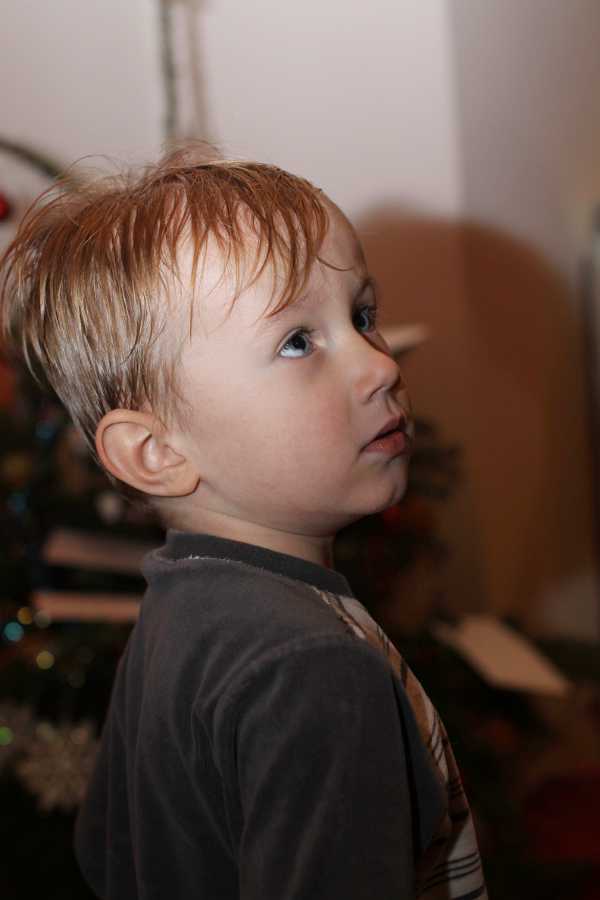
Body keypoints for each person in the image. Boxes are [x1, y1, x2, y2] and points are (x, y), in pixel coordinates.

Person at [0, 144, 488, 899]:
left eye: (362, 316)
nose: (382, 364)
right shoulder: (313, 668)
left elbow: (106, 852)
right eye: (297, 341)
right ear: (157, 453)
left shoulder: (176, 609)